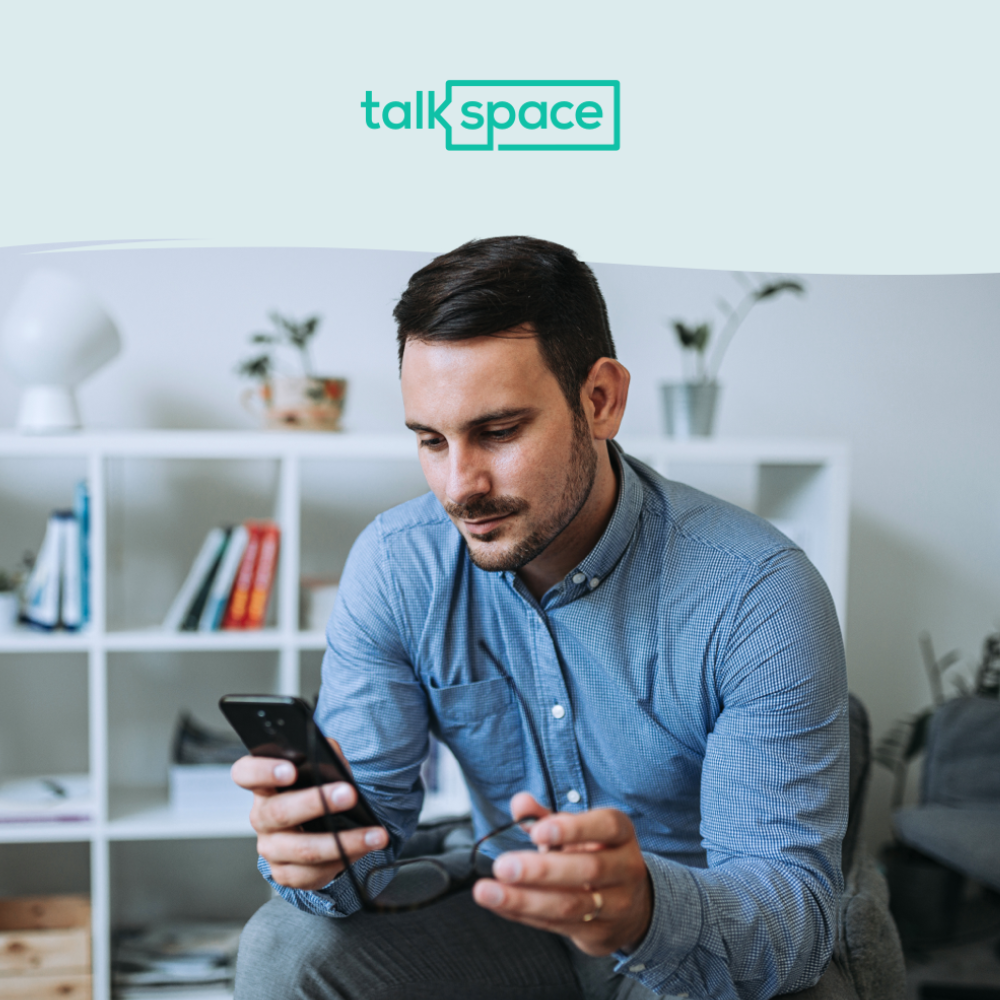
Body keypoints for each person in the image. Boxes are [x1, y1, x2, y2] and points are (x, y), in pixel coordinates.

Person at [232, 236, 851, 1000]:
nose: (459, 486)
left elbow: (793, 914)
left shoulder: (757, 594)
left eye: (497, 432)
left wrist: (646, 908)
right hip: (515, 918)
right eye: (431, 440)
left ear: (601, 400)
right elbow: (364, 845)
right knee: (285, 946)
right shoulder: (399, 567)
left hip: (698, 942)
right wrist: (315, 855)